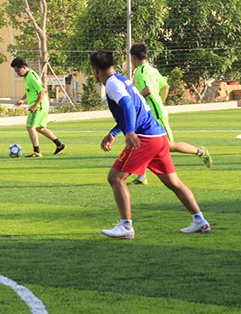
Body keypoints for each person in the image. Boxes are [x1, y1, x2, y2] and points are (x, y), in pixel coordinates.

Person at [90, 51, 210, 239]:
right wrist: (114, 132)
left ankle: (126, 227)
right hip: (158, 136)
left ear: (95, 70)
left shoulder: (112, 84)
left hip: (145, 138)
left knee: (115, 178)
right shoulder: (122, 80)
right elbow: (134, 109)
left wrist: (130, 132)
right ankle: (200, 221)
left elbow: (128, 106)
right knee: (173, 182)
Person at [129, 43, 212, 185]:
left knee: (169, 146)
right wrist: (160, 101)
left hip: (155, 114)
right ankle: (141, 176)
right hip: (150, 113)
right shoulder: (152, 69)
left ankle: (200, 151)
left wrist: (135, 100)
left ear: (133, 57)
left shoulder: (141, 71)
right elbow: (165, 86)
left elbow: (148, 90)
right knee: (141, 142)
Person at [11, 57, 66, 157]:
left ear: (24, 67)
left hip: (38, 105)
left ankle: (37, 151)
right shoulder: (27, 77)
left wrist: (35, 105)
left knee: (30, 127)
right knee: (40, 128)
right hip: (42, 105)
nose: (17, 73)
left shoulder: (31, 76)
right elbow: (30, 90)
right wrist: (22, 99)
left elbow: (42, 90)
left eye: (18, 70)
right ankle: (59, 145)